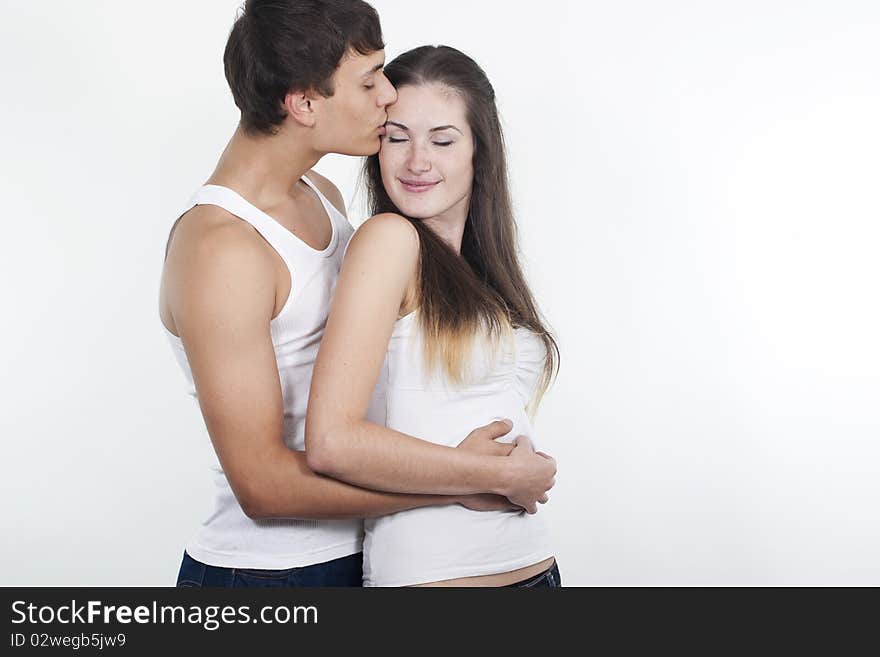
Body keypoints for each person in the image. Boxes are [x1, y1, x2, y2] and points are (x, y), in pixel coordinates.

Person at [159, 0, 556, 587]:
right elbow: (264, 488)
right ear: (304, 103)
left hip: (364, 553)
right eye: (369, 80)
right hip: (272, 577)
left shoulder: (319, 193)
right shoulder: (220, 248)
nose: (386, 96)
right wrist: (473, 479)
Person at [305, 45, 562, 587]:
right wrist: (496, 473)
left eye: (442, 140)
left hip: (534, 570)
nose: (416, 161)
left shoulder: (483, 268)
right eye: (396, 138)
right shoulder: (387, 240)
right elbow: (333, 441)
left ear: (479, 150)